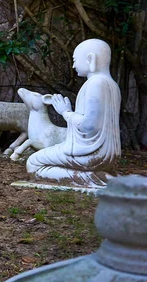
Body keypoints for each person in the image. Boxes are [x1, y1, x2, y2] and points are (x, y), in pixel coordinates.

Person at [27, 39, 121, 187]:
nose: (73, 65)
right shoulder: (112, 85)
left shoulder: (95, 83)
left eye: (75, 60)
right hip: (108, 155)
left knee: (33, 164)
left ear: (91, 59)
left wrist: (65, 112)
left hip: (90, 154)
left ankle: (95, 178)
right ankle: (101, 176)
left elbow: (88, 126)